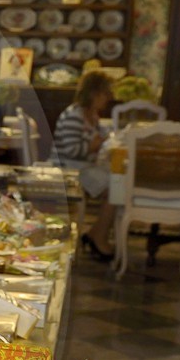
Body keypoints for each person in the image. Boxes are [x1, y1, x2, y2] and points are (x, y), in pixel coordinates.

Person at [53, 71, 118, 261]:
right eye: (106, 94)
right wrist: (94, 145)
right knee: (115, 187)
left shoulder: (93, 116)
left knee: (118, 180)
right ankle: (98, 236)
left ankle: (97, 232)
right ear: (95, 94)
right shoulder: (75, 115)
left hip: (82, 166)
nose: (108, 98)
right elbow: (70, 150)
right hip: (68, 168)